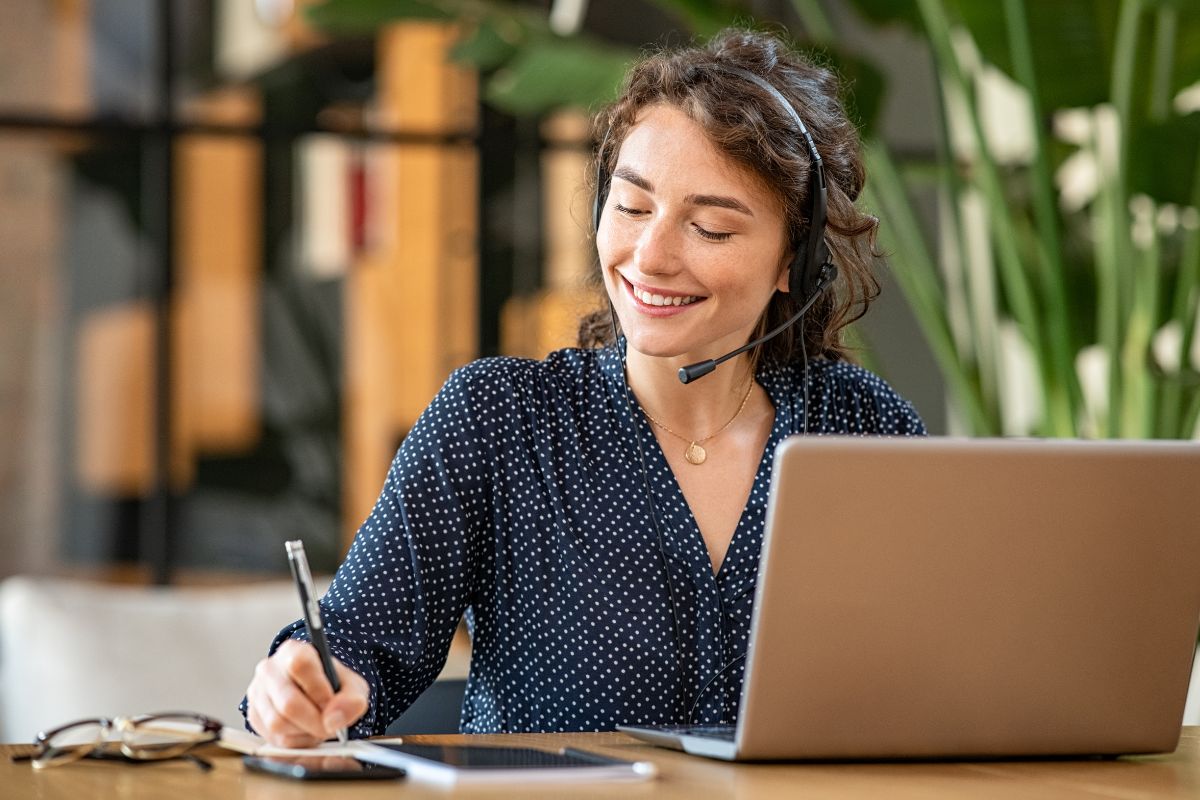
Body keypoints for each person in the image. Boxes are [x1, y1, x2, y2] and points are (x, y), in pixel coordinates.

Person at [242, 27, 925, 747]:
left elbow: (936, 678)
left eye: (711, 229)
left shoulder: (865, 430)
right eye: (631, 208)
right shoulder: (498, 420)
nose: (650, 256)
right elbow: (349, 655)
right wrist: (296, 689)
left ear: (796, 258)